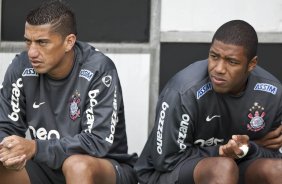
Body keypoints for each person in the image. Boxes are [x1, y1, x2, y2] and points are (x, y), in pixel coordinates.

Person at [0, 0, 138, 184]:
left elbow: (96, 143)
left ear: (69, 42)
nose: (32, 52)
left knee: (76, 165)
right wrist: (10, 150)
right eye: (28, 41)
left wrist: (35, 147)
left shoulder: (98, 69)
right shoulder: (21, 67)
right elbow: (5, 127)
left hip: (101, 167)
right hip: (46, 165)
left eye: (42, 42)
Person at [134, 20, 282, 184]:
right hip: (168, 173)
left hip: (236, 167)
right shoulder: (184, 91)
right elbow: (166, 160)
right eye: (214, 56)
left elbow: (273, 154)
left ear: (251, 64)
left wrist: (248, 148)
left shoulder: (271, 93)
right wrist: (220, 151)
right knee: (223, 168)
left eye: (232, 62)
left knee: (277, 171)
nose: (218, 69)